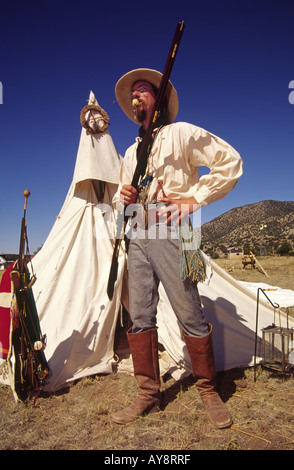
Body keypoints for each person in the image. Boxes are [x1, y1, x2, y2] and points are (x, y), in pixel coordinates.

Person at [111, 68, 243, 429]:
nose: (137, 96)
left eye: (144, 91)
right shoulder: (131, 152)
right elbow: (122, 202)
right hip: (137, 231)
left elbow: (230, 162)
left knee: (189, 311)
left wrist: (193, 200)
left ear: (158, 100)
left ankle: (207, 389)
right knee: (139, 315)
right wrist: (123, 199)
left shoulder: (180, 133)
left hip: (174, 229)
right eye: (133, 93)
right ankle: (148, 393)